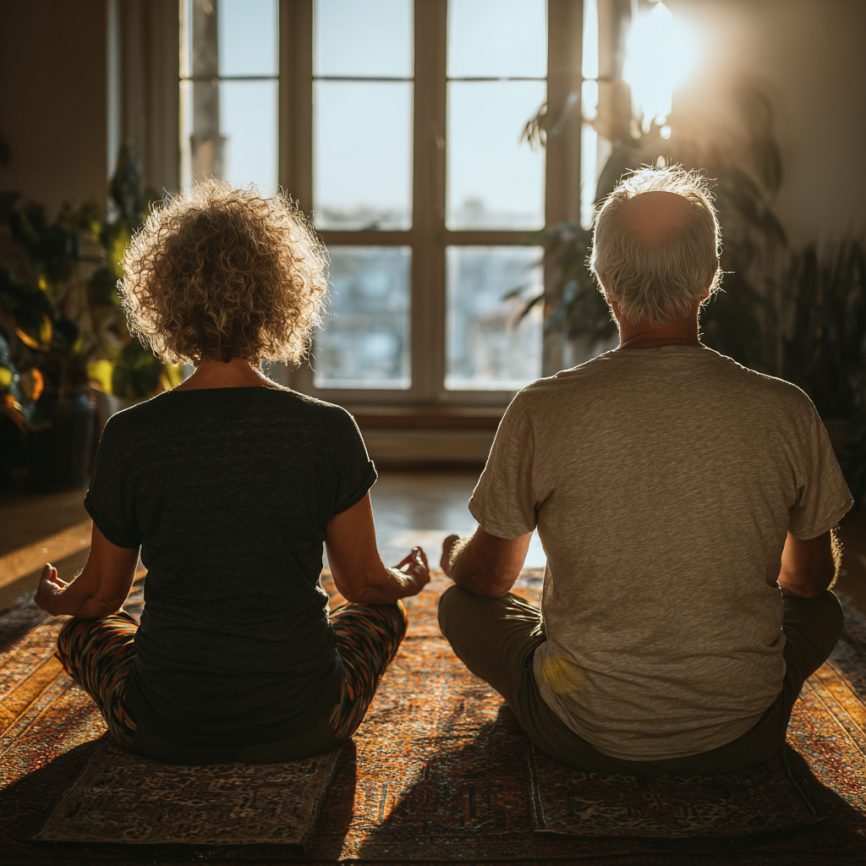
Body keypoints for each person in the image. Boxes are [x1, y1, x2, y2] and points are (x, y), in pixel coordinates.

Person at [438, 166, 852, 776]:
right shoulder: (785, 408)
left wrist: (455, 560)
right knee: (825, 612)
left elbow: (492, 580)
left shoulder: (543, 407)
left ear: (603, 280)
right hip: (745, 734)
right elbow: (810, 582)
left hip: (580, 730)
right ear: (710, 279)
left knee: (459, 605)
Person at [35, 180, 430, 765]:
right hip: (310, 724)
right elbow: (363, 586)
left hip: (162, 728)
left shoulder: (130, 434)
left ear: (165, 301)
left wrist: (57, 599)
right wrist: (408, 581)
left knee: (79, 633)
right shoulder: (328, 429)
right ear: (283, 296)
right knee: (380, 614)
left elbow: (101, 596)